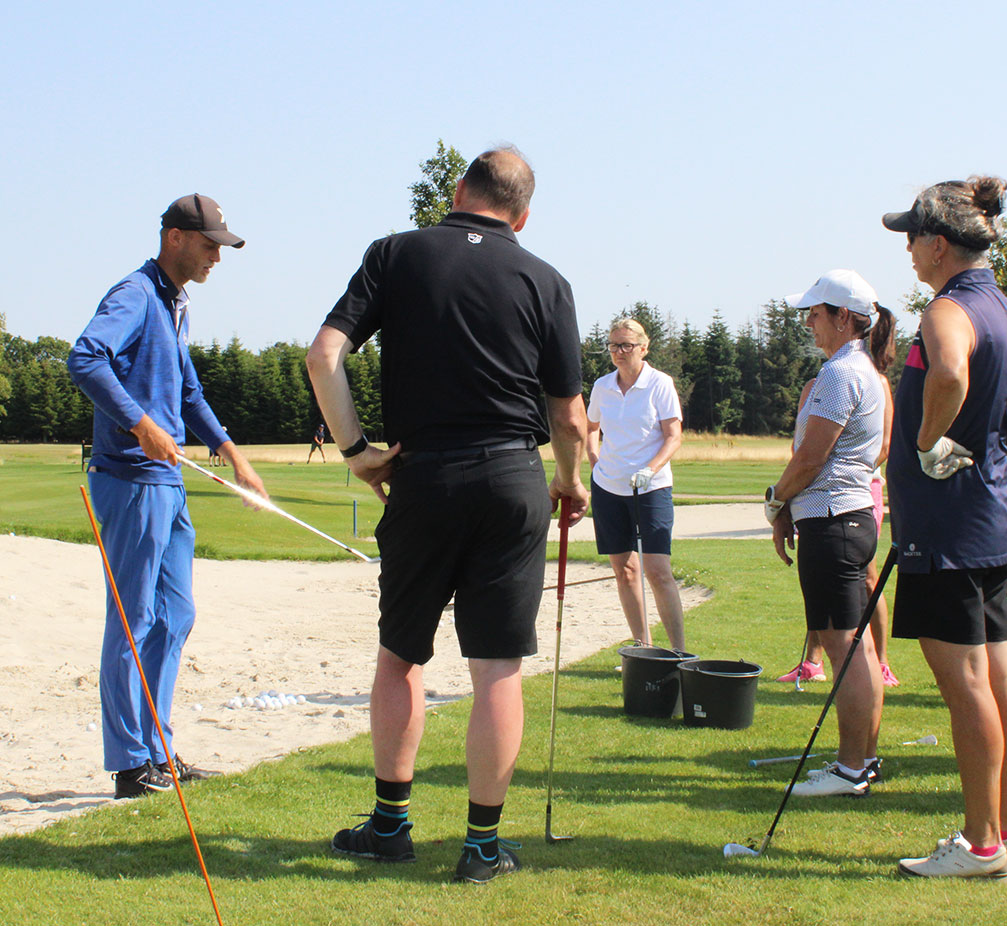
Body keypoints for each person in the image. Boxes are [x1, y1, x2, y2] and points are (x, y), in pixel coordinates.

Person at [305, 147, 589, 883]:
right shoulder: (547, 280)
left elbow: (323, 354)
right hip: (510, 477)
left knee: (402, 656)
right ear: (523, 215)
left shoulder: (395, 254)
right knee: (497, 669)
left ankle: (392, 826)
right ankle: (481, 848)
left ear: (457, 192)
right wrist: (568, 480)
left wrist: (357, 450)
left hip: (422, 474)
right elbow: (566, 410)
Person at [882, 176, 1007, 879]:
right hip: (986, 518)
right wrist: (998, 452)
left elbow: (951, 376)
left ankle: (982, 843)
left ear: (938, 244)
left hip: (947, 524)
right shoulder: (1005, 308)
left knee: (964, 683)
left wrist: (933, 442)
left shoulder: (950, 310)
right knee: (1001, 673)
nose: (906, 250)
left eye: (911, 238)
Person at [68, 194, 268, 799]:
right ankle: (131, 763)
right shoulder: (134, 295)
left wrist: (234, 455)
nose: (216, 258)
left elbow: (188, 393)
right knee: (133, 621)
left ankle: (157, 748)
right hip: (129, 478)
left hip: (169, 482)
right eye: (209, 245)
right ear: (175, 238)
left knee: (175, 614)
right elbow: (85, 358)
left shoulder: (175, 303)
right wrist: (139, 423)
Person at [765, 270, 896, 797]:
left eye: (815, 314)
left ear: (845, 317)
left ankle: (851, 768)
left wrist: (776, 501)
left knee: (846, 648)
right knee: (853, 645)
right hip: (845, 519)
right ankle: (861, 760)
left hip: (834, 522)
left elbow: (812, 457)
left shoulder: (842, 374)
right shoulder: (857, 368)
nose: (808, 323)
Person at [776, 375, 899, 689]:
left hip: (858, 488)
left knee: (868, 577)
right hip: (815, 493)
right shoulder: (813, 386)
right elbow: (800, 446)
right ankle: (813, 662)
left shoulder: (876, 382)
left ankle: (881, 662)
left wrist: (839, 467)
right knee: (820, 580)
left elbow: (884, 444)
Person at [586, 317, 685, 649]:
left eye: (627, 345)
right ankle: (643, 648)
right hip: (608, 487)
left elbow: (673, 436)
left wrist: (651, 468)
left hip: (651, 487)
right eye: (614, 345)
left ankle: (678, 651)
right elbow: (590, 427)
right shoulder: (603, 386)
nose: (619, 352)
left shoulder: (659, 383)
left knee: (657, 571)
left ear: (644, 347)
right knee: (623, 570)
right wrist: (594, 459)